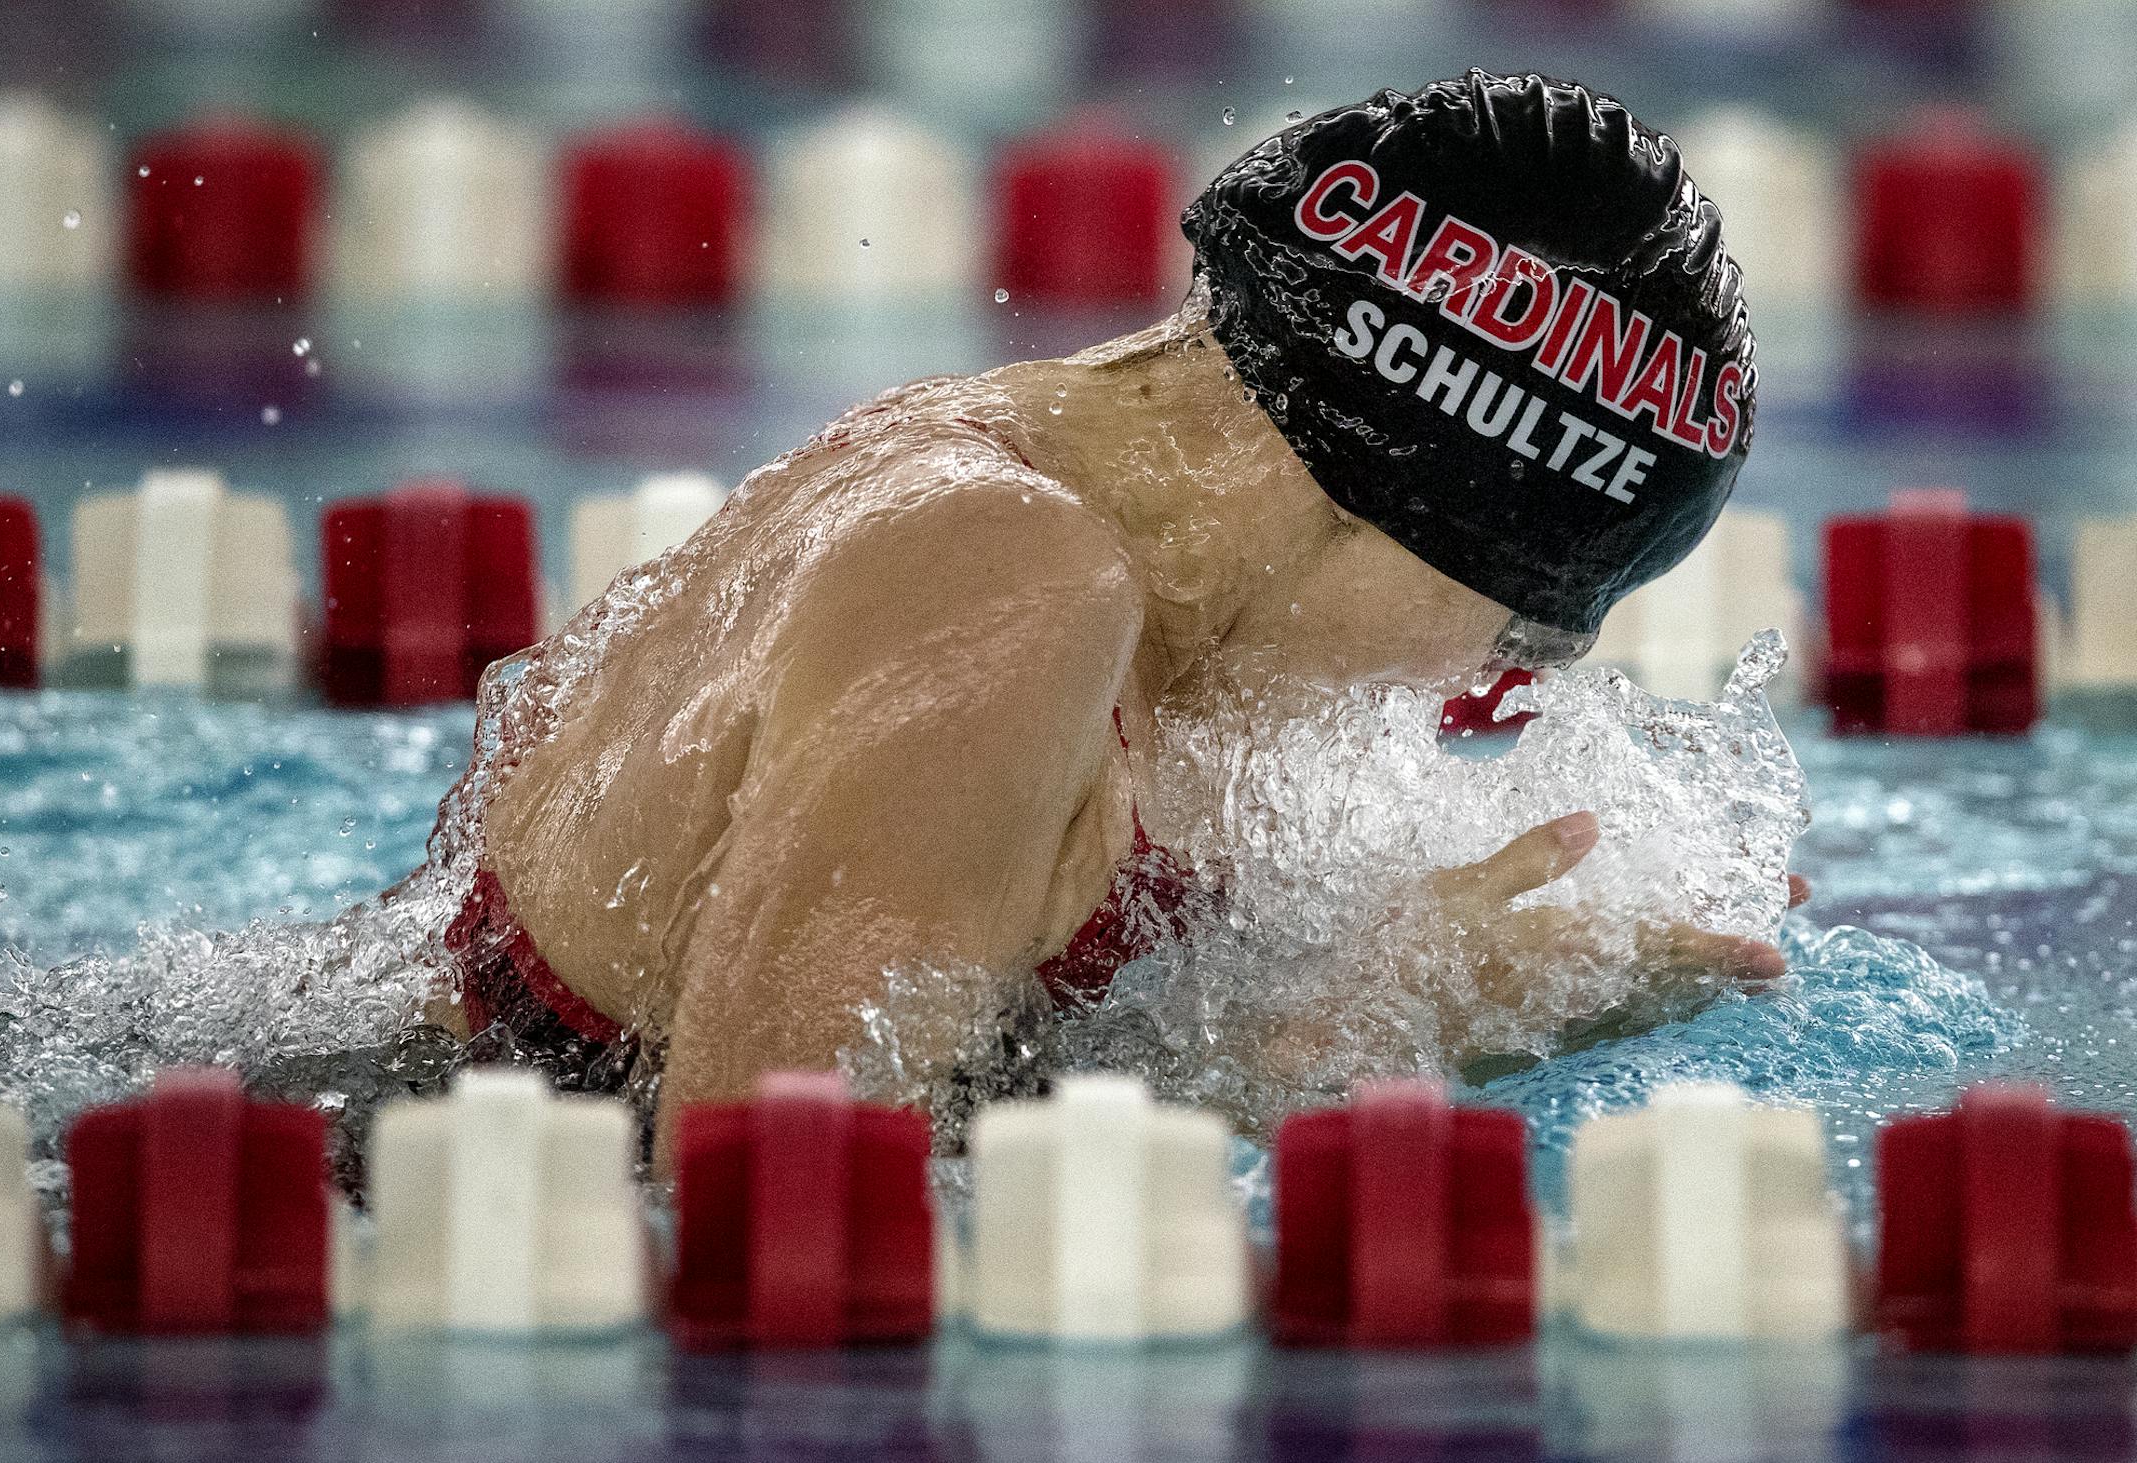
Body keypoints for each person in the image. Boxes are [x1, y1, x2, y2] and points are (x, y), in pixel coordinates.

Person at [442, 71, 1800, 1157]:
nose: (1490, 684)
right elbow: (773, 1219)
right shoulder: (1009, 583)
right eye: (1524, 624)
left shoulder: (1105, 521)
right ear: (1394, 491)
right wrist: (1362, 1032)